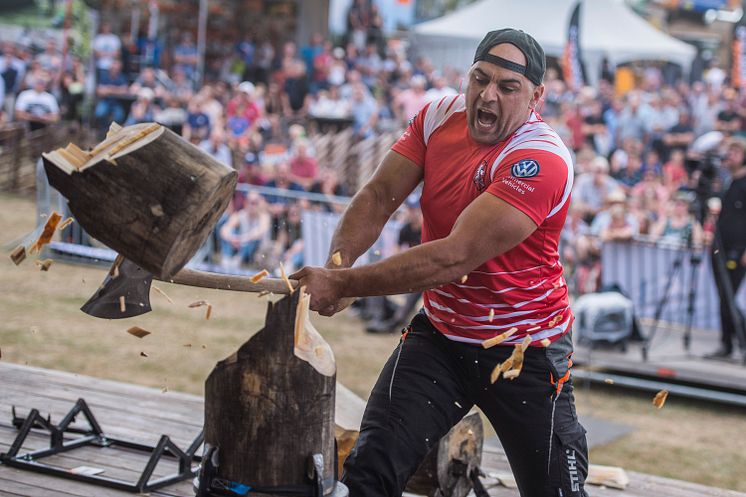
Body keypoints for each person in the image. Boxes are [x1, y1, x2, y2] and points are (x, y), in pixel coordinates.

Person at [291, 29, 589, 497]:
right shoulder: (436, 118)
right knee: (368, 475)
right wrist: (338, 265)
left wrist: (344, 281)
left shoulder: (541, 159)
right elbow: (377, 197)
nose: (487, 96)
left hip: (523, 350)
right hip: (442, 340)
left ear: (536, 96)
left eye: (507, 87)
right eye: (479, 79)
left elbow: (454, 257)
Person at [707, 137, 746, 359]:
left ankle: (739, 341)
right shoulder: (728, 181)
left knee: (730, 298)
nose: (730, 156)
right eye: (729, 152)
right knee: (724, 297)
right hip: (721, 247)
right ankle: (727, 344)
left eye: (735, 152)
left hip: (738, 251)